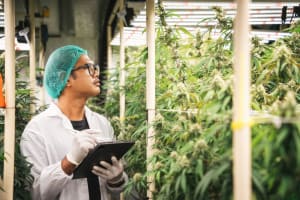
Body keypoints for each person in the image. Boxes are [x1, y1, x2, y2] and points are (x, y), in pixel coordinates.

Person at [20, 45, 127, 200]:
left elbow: (114, 191)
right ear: (67, 78)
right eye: (89, 67)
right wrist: (69, 162)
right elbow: (35, 193)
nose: (96, 73)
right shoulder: (37, 130)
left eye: (95, 67)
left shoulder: (102, 124)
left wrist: (116, 179)